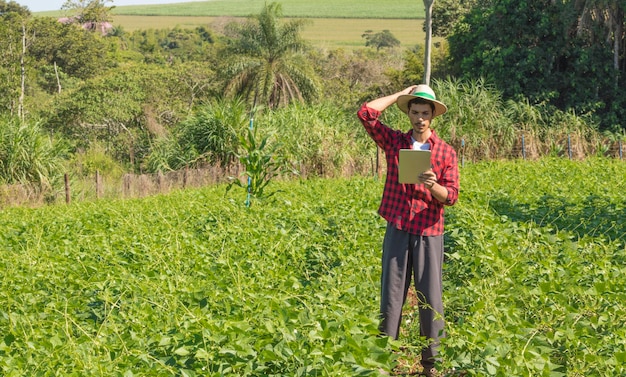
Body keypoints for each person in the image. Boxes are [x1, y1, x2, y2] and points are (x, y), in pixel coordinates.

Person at [357, 84, 459, 377]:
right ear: (409, 113)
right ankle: (382, 361)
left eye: (425, 113)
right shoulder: (395, 142)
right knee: (391, 295)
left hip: (429, 231)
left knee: (431, 298)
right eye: (414, 112)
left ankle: (433, 365)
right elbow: (366, 114)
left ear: (432, 116)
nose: (419, 118)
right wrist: (402, 92)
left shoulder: (445, 152)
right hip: (399, 225)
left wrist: (433, 184)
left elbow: (451, 196)